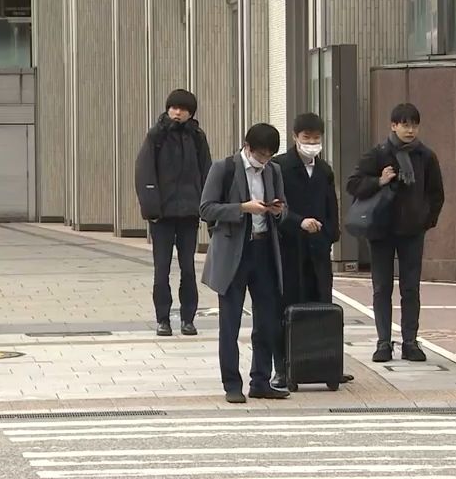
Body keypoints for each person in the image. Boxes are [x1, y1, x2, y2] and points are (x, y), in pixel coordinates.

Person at [346, 103, 445, 363]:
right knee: (382, 288)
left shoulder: (426, 156)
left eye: (414, 124)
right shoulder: (378, 154)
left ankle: (410, 341)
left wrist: (426, 220)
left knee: (410, 288)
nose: (410, 130)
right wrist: (378, 181)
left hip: (412, 231)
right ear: (393, 126)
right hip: (381, 231)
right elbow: (352, 184)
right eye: (404, 124)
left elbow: (436, 194)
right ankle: (383, 342)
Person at [200, 123, 290, 404]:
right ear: (247, 148)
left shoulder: (273, 171)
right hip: (233, 252)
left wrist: (276, 210)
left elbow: (284, 209)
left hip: (264, 248)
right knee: (231, 322)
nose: (263, 161)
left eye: (269, 156)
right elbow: (206, 208)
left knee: (267, 320)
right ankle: (231, 383)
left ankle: (261, 380)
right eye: (260, 155)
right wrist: (242, 208)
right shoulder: (223, 168)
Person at [271, 113, 352, 388]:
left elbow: (332, 205)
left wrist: (330, 234)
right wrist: (298, 222)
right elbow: (276, 207)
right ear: (295, 137)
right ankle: (282, 366)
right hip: (289, 247)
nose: (312, 143)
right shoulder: (279, 166)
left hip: (318, 249)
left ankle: (324, 363)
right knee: (288, 306)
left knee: (321, 303)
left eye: (316, 139)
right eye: (307, 138)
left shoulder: (324, 170)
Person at [135, 89, 212, 337]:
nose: (177, 113)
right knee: (162, 268)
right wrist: (151, 210)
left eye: (183, 109)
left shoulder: (197, 137)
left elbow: (207, 173)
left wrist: (207, 206)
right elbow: (144, 172)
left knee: (188, 268)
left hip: (189, 214)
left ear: (191, 113)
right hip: (163, 216)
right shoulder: (156, 136)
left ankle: (188, 319)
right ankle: (163, 319)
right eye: (173, 108)